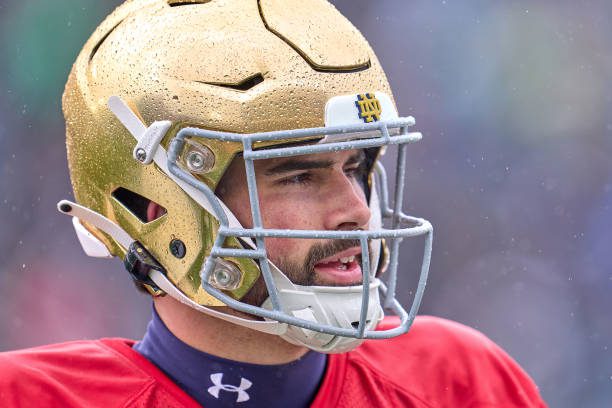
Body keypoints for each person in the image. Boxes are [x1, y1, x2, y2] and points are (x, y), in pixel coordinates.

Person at [0, 0, 547, 406]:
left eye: (356, 167)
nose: (355, 208)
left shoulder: (461, 381)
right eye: (298, 176)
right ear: (154, 208)